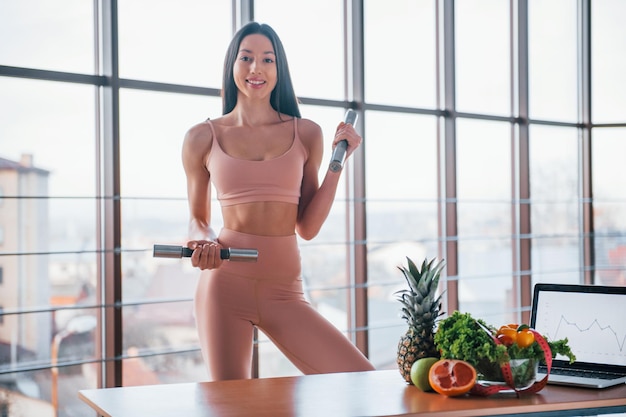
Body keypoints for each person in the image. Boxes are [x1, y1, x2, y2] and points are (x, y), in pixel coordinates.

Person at [182, 21, 375, 381]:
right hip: (225, 284)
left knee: (362, 381)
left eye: (268, 60)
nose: (257, 68)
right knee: (232, 405)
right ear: (232, 65)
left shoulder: (307, 133)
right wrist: (201, 240)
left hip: (285, 290)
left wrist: (338, 163)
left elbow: (308, 226)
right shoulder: (201, 137)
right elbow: (196, 217)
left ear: (279, 69)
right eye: (247, 58)